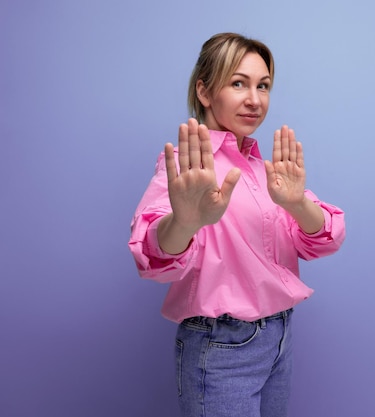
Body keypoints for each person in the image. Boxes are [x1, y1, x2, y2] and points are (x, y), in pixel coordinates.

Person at [128, 32, 346, 417]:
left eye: (263, 86)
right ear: (205, 92)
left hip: (279, 337)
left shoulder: (264, 170)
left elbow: (323, 239)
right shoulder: (189, 166)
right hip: (221, 347)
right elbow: (151, 255)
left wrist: (296, 203)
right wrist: (184, 221)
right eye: (238, 83)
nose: (255, 99)